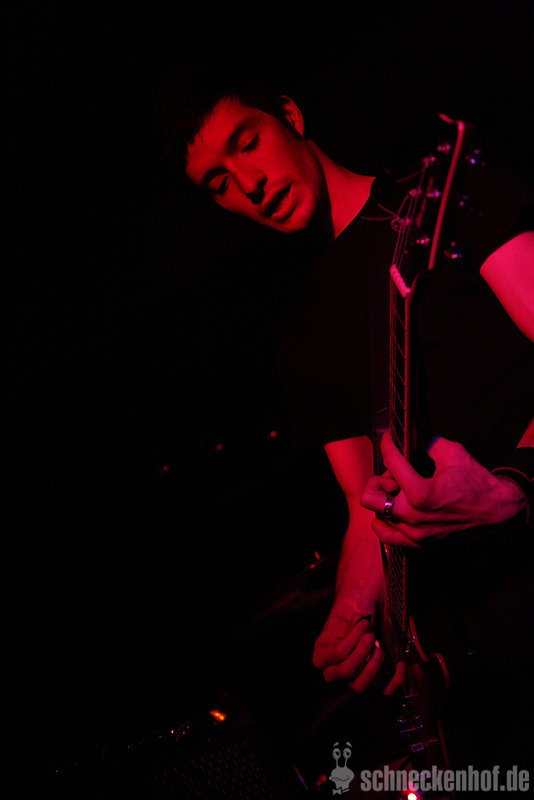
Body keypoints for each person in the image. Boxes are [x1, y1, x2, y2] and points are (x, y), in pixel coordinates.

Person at [155, 65, 534, 774]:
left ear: (290, 115)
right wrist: (354, 613)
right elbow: (367, 508)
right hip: (482, 663)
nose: (249, 183)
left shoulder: (446, 200)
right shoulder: (300, 340)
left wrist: (513, 487)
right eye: (218, 183)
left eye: (247, 141)